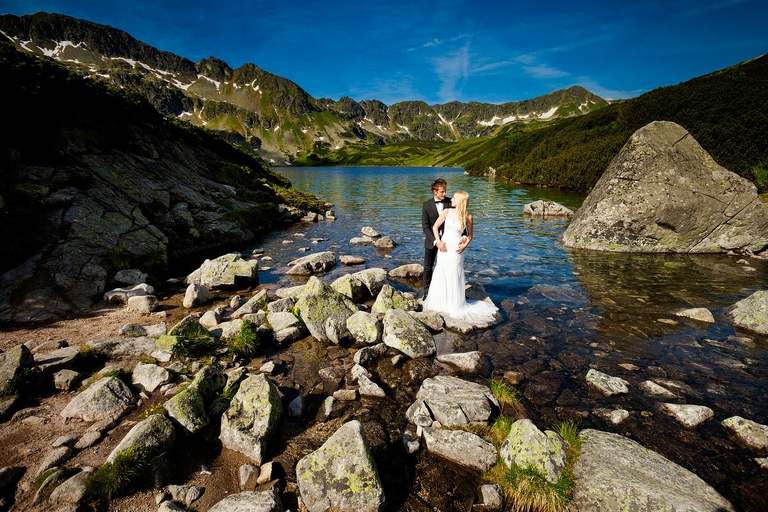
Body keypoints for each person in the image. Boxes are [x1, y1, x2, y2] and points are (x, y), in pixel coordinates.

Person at [423, 190, 498, 324]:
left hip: (457, 250)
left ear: (461, 201)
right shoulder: (446, 212)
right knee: (441, 271)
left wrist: (465, 245)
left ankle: (454, 305)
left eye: (455, 198)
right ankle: (439, 302)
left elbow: (470, 235)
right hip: (445, 248)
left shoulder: (468, 216)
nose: (451, 198)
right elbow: (434, 227)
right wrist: (438, 242)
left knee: (454, 273)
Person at [421, 178, 450, 297]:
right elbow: (425, 227)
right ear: (435, 191)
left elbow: (457, 221)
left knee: (448, 267)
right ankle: (426, 293)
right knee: (428, 267)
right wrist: (435, 241)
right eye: (442, 191)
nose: (445, 194)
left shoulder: (450, 202)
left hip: (448, 241)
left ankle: (448, 292)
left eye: (445, 191)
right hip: (432, 241)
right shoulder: (426, 205)